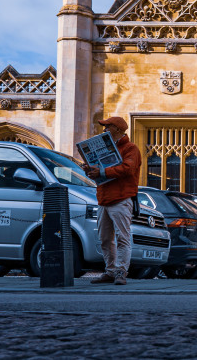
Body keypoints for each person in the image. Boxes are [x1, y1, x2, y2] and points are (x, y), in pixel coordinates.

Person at [82, 116, 141, 286]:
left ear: (117, 129)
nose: (104, 130)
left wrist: (102, 172)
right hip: (104, 199)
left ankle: (121, 272)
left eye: (107, 126)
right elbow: (104, 173)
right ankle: (110, 271)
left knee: (122, 237)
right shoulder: (108, 147)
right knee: (105, 238)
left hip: (121, 198)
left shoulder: (131, 148)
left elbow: (128, 169)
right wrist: (91, 171)